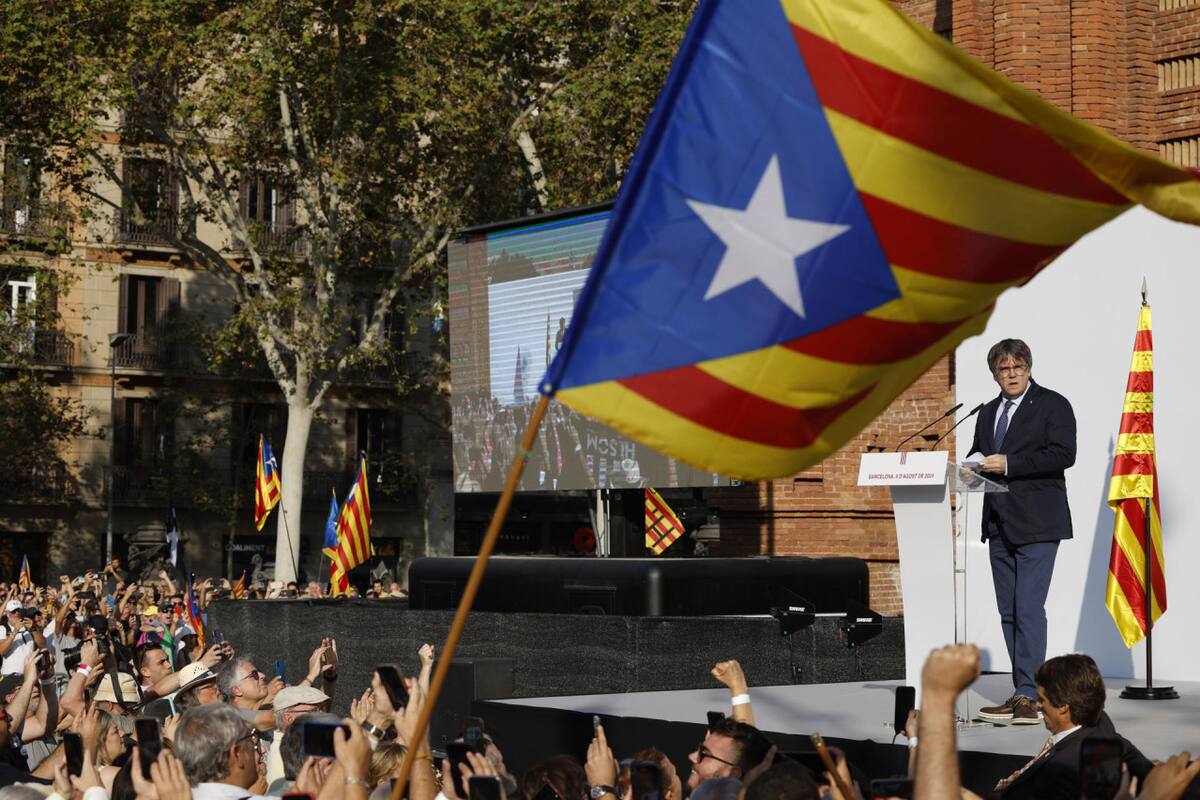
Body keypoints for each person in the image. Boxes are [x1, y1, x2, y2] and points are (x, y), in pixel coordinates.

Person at [967, 339, 1076, 724]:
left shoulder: (1052, 404)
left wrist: (1010, 463)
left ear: (1028, 368)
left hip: (1039, 523)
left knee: (1028, 608)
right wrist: (972, 467)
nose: (1010, 375)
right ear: (994, 373)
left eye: (1017, 368)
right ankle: (1021, 693)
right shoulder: (988, 412)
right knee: (1009, 612)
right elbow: (982, 452)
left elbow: (1064, 454)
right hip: (998, 524)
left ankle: (1031, 696)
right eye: (1003, 369)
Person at [993, 654, 1152, 799]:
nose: (1037, 706)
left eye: (1042, 700)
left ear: (1063, 707)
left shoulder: (1062, 767)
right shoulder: (1101, 724)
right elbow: (1147, 772)